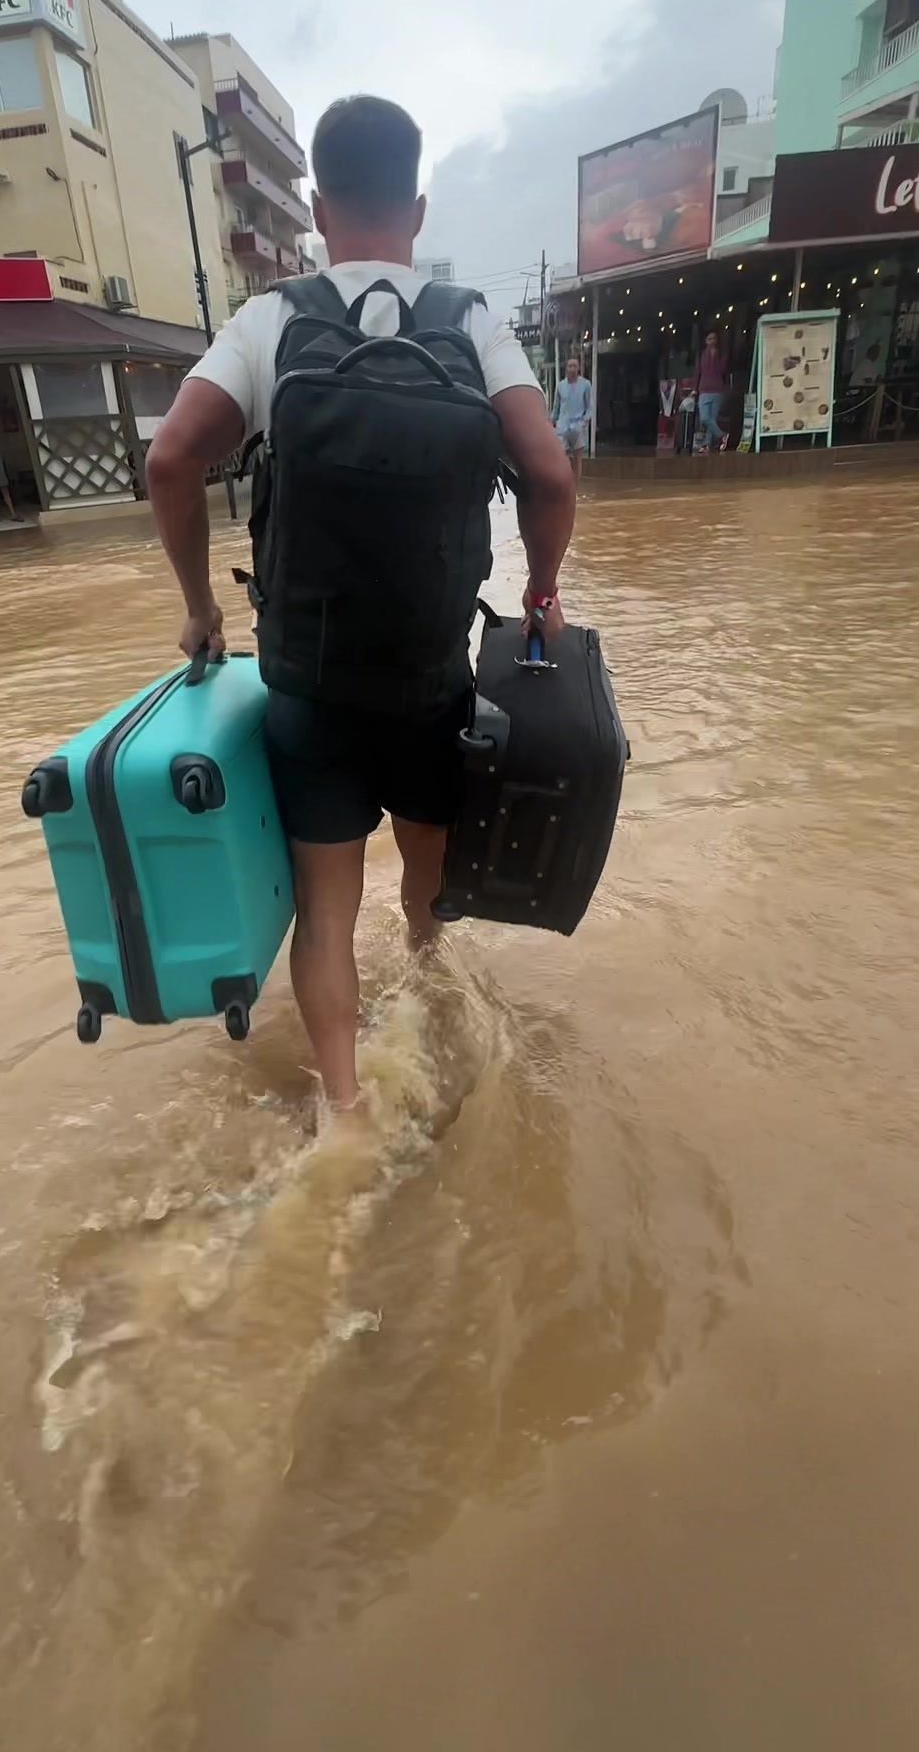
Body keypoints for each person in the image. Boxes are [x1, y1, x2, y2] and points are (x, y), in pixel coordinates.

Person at [146, 95, 575, 1112]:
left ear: (316, 209)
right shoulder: (471, 323)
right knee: (427, 894)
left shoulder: (271, 320)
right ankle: (431, 1047)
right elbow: (551, 477)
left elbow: (170, 460)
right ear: (416, 210)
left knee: (326, 913)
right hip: (431, 680)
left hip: (310, 686)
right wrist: (540, 594)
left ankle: (343, 1114)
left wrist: (202, 608)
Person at [551, 356, 592, 479]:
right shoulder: (560, 385)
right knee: (561, 457)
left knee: (578, 459)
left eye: (575, 366)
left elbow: (589, 407)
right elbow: (556, 407)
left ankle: (576, 488)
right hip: (563, 427)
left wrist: (584, 422)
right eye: (570, 366)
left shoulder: (585, 384)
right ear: (566, 368)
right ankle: (565, 483)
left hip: (578, 426)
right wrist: (552, 422)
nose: (572, 368)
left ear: (578, 368)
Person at [694, 330, 727, 449]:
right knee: (705, 418)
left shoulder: (722, 355)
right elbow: (697, 372)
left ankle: (706, 445)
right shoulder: (702, 355)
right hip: (704, 390)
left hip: (717, 390)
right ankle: (722, 436)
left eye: (714, 338)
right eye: (709, 339)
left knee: (712, 420)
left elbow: (722, 370)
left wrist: (715, 356)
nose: (712, 341)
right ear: (705, 341)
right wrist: (695, 389)